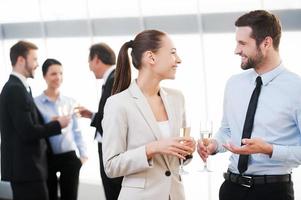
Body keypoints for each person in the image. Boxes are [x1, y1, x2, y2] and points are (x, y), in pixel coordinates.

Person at [197, 10, 300, 200]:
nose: (236, 50)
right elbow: (227, 130)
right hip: (231, 189)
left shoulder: (297, 88)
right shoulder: (234, 83)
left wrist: (269, 149)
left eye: (242, 43)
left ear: (266, 43)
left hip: (273, 192)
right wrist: (213, 144)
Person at [102, 29, 196, 200]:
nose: (179, 60)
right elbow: (111, 166)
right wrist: (152, 149)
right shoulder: (118, 103)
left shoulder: (177, 98)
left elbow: (177, 159)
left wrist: (188, 151)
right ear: (151, 57)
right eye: (173, 53)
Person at [0, 41, 70, 200]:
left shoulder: (21, 87)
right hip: (26, 170)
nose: (37, 65)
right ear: (21, 60)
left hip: (28, 169)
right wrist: (58, 124)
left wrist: (49, 123)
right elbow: (27, 131)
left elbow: (26, 124)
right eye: (35, 59)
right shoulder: (15, 89)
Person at [34, 58, 88, 200]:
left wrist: (83, 156)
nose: (58, 77)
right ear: (44, 76)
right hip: (47, 157)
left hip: (69, 158)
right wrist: (51, 125)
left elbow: (77, 131)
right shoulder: (35, 103)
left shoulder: (70, 102)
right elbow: (35, 131)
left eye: (61, 73)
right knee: (49, 196)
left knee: (70, 197)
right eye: (53, 74)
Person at [76, 43, 123, 200]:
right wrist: (91, 115)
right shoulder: (112, 78)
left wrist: (95, 117)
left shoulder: (114, 79)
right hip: (110, 146)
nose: (89, 67)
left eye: (89, 62)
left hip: (111, 148)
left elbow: (112, 119)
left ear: (96, 59)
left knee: (113, 191)